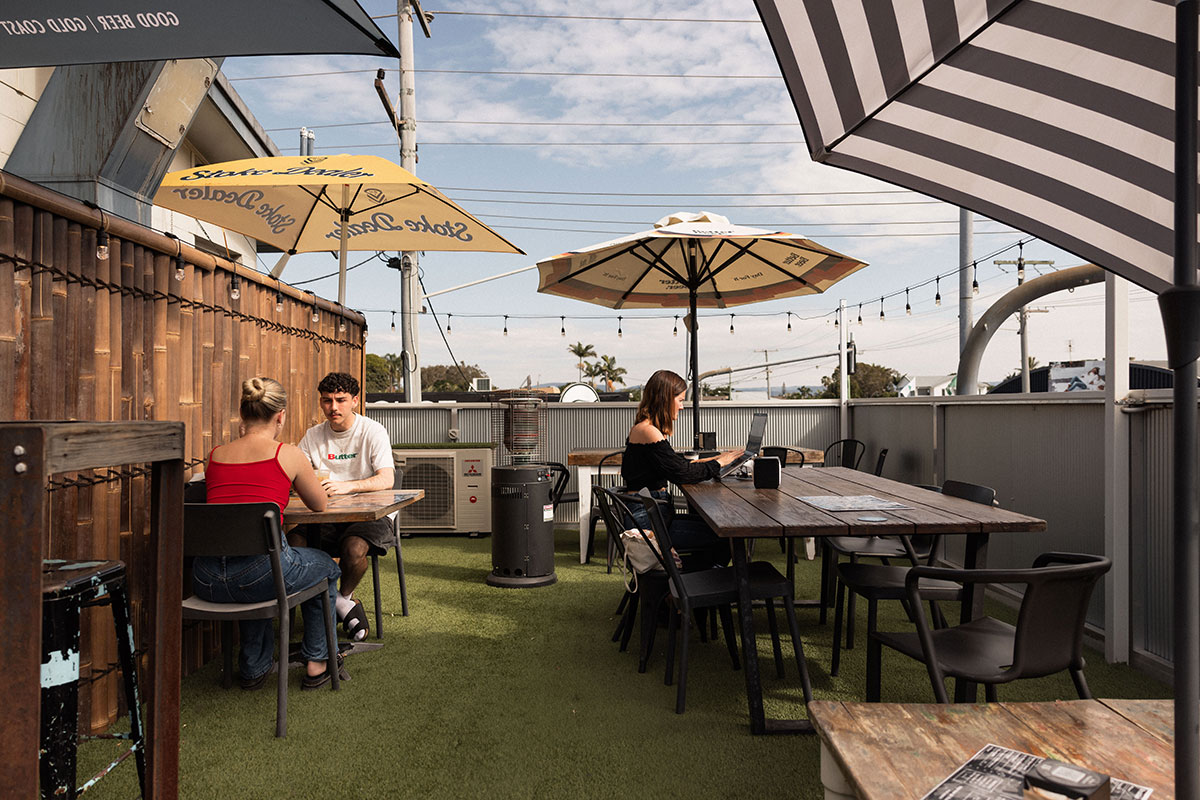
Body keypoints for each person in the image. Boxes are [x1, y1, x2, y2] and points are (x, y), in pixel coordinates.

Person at [192, 377, 344, 690]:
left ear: (241, 413)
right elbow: (319, 505)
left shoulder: (215, 456)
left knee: (259, 561)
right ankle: (317, 662)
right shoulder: (287, 454)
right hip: (258, 577)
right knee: (324, 567)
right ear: (281, 416)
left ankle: (253, 667)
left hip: (204, 578)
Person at [293, 372, 395, 641]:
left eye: (340, 400)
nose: (333, 407)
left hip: (370, 513)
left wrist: (349, 485)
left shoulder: (372, 431)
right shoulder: (313, 435)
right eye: (327, 401)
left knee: (354, 549)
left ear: (355, 401)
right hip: (324, 514)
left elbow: (387, 478)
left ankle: (341, 598)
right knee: (294, 543)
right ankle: (338, 606)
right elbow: (296, 474)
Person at [621, 369, 743, 570]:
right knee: (725, 535)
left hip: (654, 514)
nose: (682, 406)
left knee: (717, 531)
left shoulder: (647, 429)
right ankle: (694, 588)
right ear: (665, 399)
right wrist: (719, 464)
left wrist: (718, 458)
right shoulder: (648, 432)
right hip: (648, 522)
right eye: (679, 400)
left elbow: (677, 466)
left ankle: (694, 587)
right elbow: (682, 474)